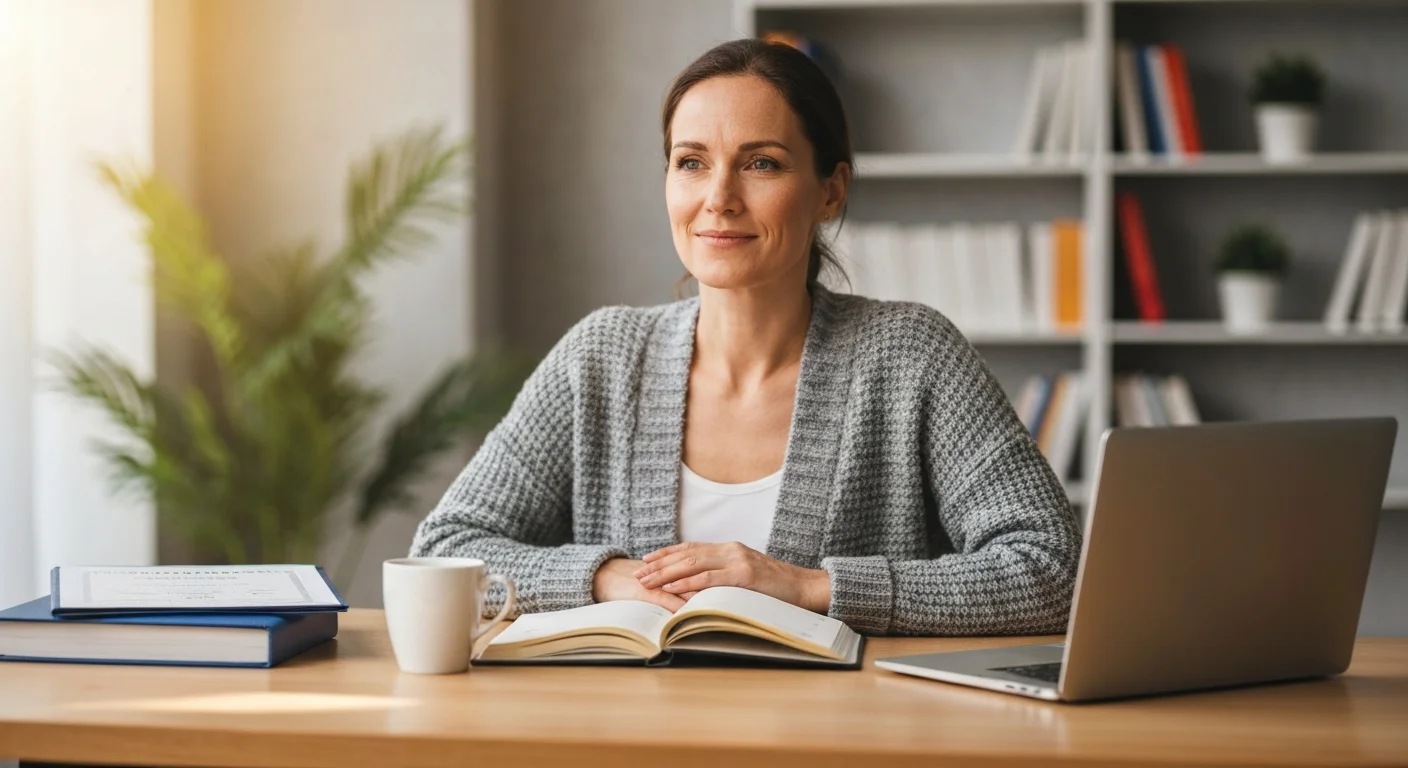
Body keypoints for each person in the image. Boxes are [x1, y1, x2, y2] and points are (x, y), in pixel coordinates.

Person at [410, 38, 1080, 636]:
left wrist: (807, 588)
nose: (719, 197)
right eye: (691, 162)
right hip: (631, 724)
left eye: (761, 163)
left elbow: (1051, 568)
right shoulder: (601, 357)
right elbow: (444, 548)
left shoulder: (913, 355)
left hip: (843, 727)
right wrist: (608, 578)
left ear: (831, 191)